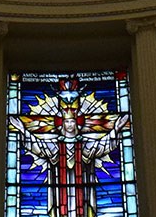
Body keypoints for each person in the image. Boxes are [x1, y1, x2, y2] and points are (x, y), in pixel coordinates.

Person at [9, 76, 130, 217]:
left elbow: (101, 146)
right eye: (67, 122)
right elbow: (39, 147)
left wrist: (115, 130)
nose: (70, 125)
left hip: (82, 200)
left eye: (72, 122)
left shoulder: (84, 147)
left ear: (77, 124)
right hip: (60, 199)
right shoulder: (56, 148)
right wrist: (23, 130)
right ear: (62, 125)